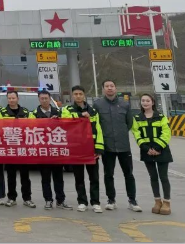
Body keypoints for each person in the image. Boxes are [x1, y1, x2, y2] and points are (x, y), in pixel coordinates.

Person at [93, 79, 141, 212]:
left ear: (115, 88)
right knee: (108, 174)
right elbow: (96, 124)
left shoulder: (125, 104)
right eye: (107, 86)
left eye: (112, 86)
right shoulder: (98, 105)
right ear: (103, 89)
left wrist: (120, 133)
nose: (110, 88)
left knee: (129, 174)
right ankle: (111, 200)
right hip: (107, 146)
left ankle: (132, 200)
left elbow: (129, 123)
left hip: (123, 145)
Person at [62, 85, 105, 213]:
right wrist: (81, 115)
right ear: (72, 96)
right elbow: (65, 120)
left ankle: (95, 202)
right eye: (76, 94)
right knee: (79, 177)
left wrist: (99, 148)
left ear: (84, 95)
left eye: (80, 94)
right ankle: (82, 202)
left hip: (91, 148)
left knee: (94, 177)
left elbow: (98, 129)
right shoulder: (67, 109)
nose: (78, 96)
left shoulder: (93, 111)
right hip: (76, 148)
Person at [131, 93, 173, 215]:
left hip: (162, 151)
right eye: (143, 100)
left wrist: (157, 147)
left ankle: (166, 202)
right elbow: (136, 134)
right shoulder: (137, 118)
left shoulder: (161, 117)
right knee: (153, 177)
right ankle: (157, 201)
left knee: (163, 177)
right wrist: (146, 148)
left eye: (147, 100)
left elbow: (166, 133)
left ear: (152, 102)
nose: (145, 103)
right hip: (146, 152)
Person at [32, 90, 72, 211]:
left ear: (50, 99)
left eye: (46, 98)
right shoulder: (33, 114)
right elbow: (30, 129)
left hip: (56, 151)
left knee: (58, 177)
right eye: (42, 98)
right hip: (43, 151)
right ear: (39, 100)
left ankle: (61, 200)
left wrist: (59, 120)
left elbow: (69, 124)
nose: (44, 100)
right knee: (45, 178)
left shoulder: (59, 112)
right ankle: (48, 200)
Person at [2, 90, 36, 208]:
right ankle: (11, 198)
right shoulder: (2, 112)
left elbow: (33, 125)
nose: (11, 100)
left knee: (25, 175)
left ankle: (27, 198)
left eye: (13, 98)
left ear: (17, 99)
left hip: (23, 148)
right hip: (10, 148)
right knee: (11, 175)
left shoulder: (26, 112)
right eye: (9, 98)